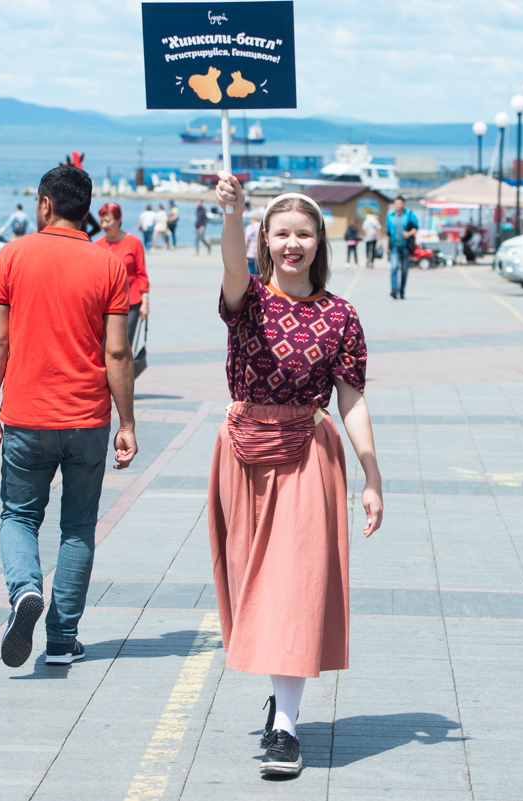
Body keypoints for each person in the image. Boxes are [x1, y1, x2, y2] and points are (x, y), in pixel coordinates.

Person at [211, 174, 385, 778]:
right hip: (241, 450)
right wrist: (232, 213)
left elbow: (351, 399)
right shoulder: (249, 298)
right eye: (282, 233)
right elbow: (234, 267)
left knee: (293, 586)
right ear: (266, 238)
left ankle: (286, 728)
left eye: (303, 234)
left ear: (320, 241)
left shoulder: (340, 315)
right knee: (252, 587)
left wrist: (371, 474)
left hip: (309, 454)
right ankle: (278, 706)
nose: (293, 243)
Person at [0, 165, 138, 669]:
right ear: (86, 209)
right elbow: (117, 353)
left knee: (19, 516)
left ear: (44, 205)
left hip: (25, 416)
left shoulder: (11, 256)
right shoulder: (110, 265)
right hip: (87, 419)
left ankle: (25, 591)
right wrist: (127, 423)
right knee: (78, 527)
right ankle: (62, 640)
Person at [95, 202, 150, 346]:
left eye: (108, 221)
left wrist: (145, 302)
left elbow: (141, 274)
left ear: (119, 220)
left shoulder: (134, 242)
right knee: (102, 346)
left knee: (123, 346)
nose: (104, 225)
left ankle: (124, 369)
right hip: (103, 304)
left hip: (130, 303)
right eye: (101, 222)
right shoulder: (97, 245)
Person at [385, 196, 418, 300]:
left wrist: (409, 233)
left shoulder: (409, 215)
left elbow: (416, 227)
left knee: (404, 270)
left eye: (400, 203)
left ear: (404, 204)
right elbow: (388, 233)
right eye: (396, 203)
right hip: (394, 246)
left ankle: (402, 290)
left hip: (405, 247)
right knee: (394, 267)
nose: (398, 205)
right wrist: (387, 247)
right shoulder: (390, 216)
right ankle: (394, 290)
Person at [244, 209, 262, 275]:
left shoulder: (250, 227)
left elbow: (246, 239)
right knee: (260, 271)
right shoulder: (262, 227)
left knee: (251, 270)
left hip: (251, 253)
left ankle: (252, 284)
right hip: (261, 254)